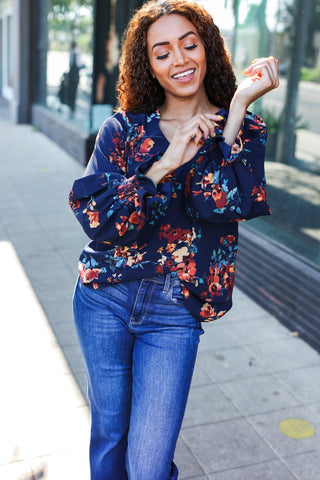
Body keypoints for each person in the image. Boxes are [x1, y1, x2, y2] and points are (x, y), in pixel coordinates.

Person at [69, 1, 279, 478]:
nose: (179, 60)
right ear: (149, 65)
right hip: (104, 297)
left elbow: (223, 203)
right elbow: (99, 219)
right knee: (109, 432)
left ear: (207, 49)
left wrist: (236, 109)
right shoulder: (123, 130)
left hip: (173, 310)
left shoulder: (241, 128)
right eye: (162, 52)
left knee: (147, 465)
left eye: (189, 44)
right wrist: (164, 163)